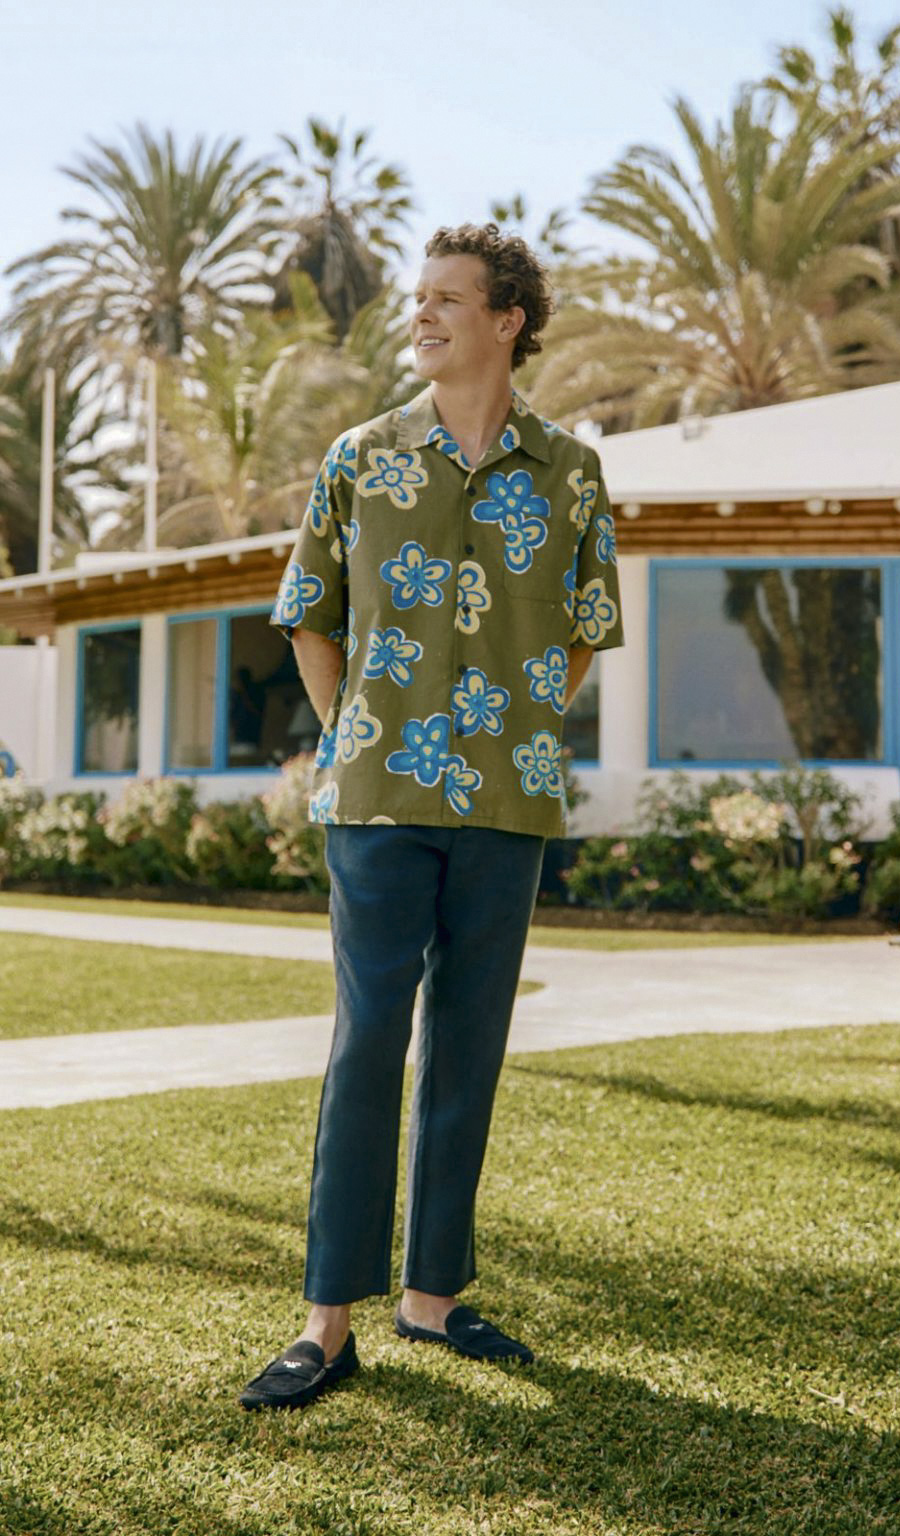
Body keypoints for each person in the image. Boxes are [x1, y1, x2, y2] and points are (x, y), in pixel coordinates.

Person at [239, 222, 624, 1410]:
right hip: (378, 800)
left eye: (446, 299)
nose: (422, 315)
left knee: (469, 1045)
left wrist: (514, 724)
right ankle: (326, 1323)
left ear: (506, 320)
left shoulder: (569, 472)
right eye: (420, 299)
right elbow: (310, 615)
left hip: (507, 800)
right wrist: (360, 732)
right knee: (366, 1041)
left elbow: (582, 631)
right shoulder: (360, 458)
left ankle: (432, 1296)